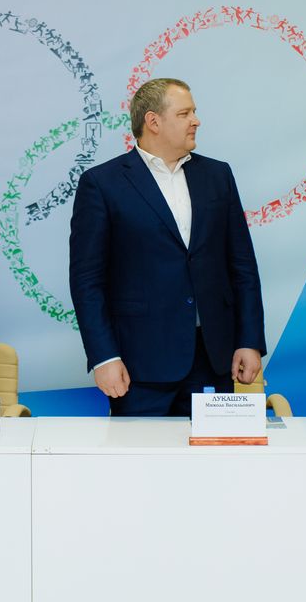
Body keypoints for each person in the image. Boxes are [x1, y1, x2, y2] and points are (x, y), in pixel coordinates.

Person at [68, 77, 266, 416]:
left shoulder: (218, 176)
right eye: (184, 113)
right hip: (138, 365)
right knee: (140, 452)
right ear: (153, 121)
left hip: (213, 359)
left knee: (213, 452)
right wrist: (104, 356)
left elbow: (242, 265)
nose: (196, 121)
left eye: (194, 112)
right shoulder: (102, 184)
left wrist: (249, 340)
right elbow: (87, 280)